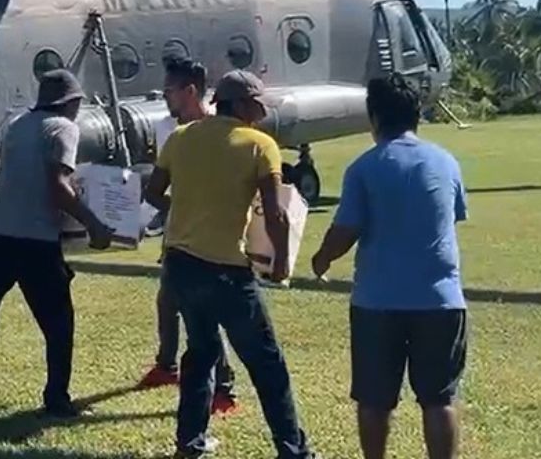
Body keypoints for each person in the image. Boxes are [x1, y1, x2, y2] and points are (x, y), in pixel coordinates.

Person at [144, 70, 313, 458]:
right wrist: (283, 262)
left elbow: (153, 193)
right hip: (228, 272)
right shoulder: (259, 145)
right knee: (267, 364)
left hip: (180, 267)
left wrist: (185, 210)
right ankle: (293, 450)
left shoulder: (181, 137)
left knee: (199, 355)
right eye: (256, 105)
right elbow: (276, 214)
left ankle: (189, 445)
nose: (260, 112)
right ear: (240, 104)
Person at [311, 75, 468, 459]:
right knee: (439, 399)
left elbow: (346, 230)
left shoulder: (364, 168)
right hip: (440, 299)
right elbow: (453, 216)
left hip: (378, 302)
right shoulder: (446, 162)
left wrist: (322, 258)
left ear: (374, 117)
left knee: (375, 400)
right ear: (417, 115)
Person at [0, 69, 112, 417]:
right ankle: (56, 398)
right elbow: (57, 185)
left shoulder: (17, 124)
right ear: (72, 102)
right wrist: (93, 223)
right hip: (35, 238)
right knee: (58, 322)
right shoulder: (64, 128)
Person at [137, 59, 238, 416]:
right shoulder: (168, 128)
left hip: (211, 237)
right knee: (168, 301)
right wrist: (172, 208)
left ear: (190, 91)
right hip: (177, 232)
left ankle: (224, 388)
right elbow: (161, 185)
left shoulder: (221, 128)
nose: (164, 97)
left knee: (206, 312)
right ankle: (167, 367)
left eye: (169, 90)